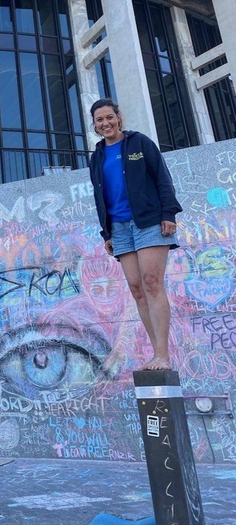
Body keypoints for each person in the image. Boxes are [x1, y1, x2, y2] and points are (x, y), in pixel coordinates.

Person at [88, 99, 182, 371]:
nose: (105, 123)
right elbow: (99, 196)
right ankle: (155, 354)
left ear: (118, 117)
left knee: (152, 282)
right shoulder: (97, 157)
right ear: (94, 125)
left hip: (149, 221)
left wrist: (169, 214)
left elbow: (162, 177)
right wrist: (106, 231)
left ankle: (163, 354)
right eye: (99, 120)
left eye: (109, 117)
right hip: (118, 228)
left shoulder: (138, 143)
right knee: (137, 289)